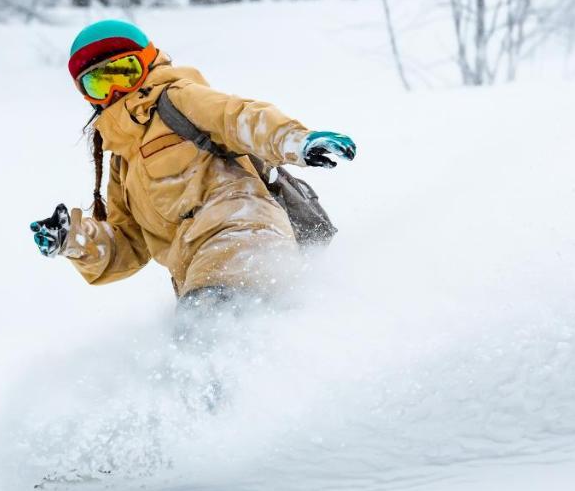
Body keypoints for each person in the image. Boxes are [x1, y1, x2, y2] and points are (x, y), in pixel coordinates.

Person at [30, 19, 356, 309]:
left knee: (204, 338)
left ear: (148, 62)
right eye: (98, 84)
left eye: (124, 73)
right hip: (199, 273)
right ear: (87, 95)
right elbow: (127, 246)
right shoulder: (123, 162)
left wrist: (297, 141)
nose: (115, 90)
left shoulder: (179, 99)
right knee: (208, 361)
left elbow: (239, 117)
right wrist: (73, 240)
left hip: (241, 235)